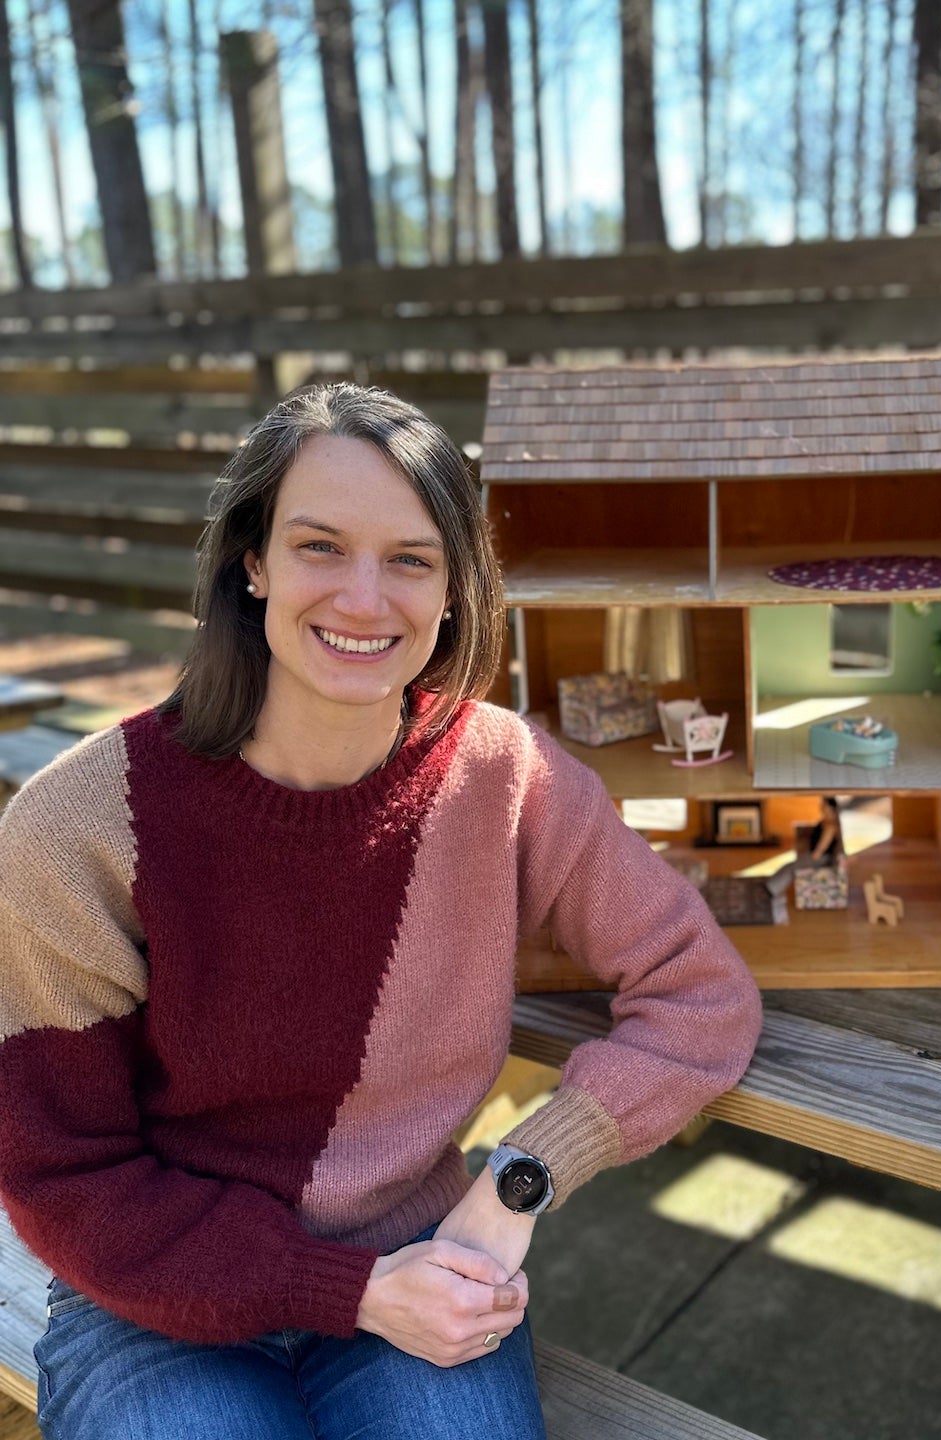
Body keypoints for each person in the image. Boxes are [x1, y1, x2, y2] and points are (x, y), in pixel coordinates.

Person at [0, 383, 764, 1439]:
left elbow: (699, 995)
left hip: (417, 1260)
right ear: (252, 561)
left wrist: (521, 1180)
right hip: (153, 1299)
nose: (366, 599)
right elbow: (63, 1170)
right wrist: (344, 1291)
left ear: (455, 591)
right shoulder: (78, 826)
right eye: (321, 546)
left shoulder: (505, 776)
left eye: (411, 559)